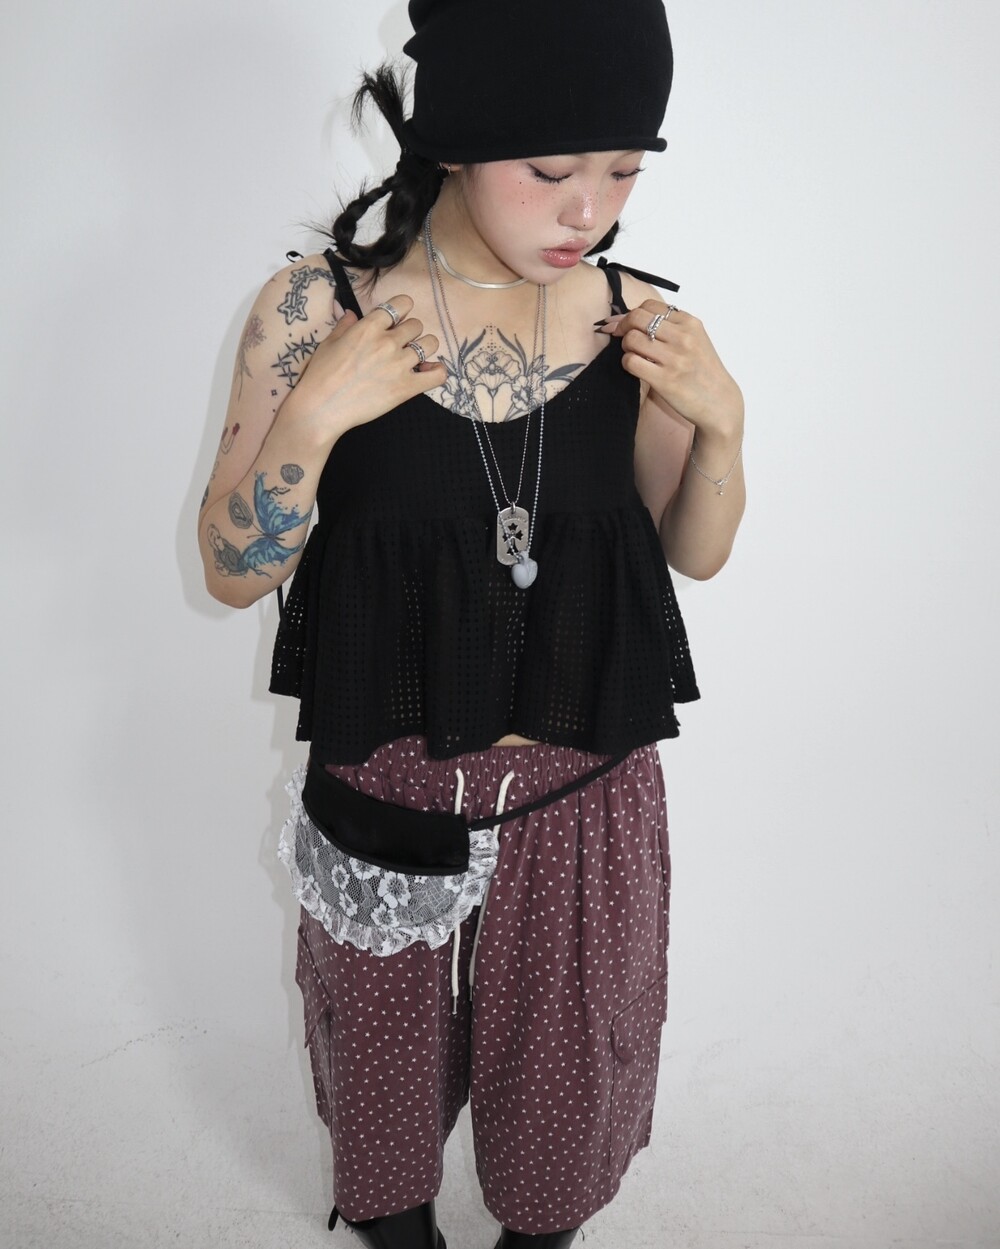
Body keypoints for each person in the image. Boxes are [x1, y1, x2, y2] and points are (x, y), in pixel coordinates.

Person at [197, 1, 745, 1245]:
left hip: (581, 788)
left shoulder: (633, 321)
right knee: (380, 1076)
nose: (589, 209)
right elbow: (228, 571)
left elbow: (696, 552)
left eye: (623, 170)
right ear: (453, 140)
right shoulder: (316, 311)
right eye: (550, 171)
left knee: (565, 1074)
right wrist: (313, 418)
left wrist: (723, 424)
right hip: (386, 779)